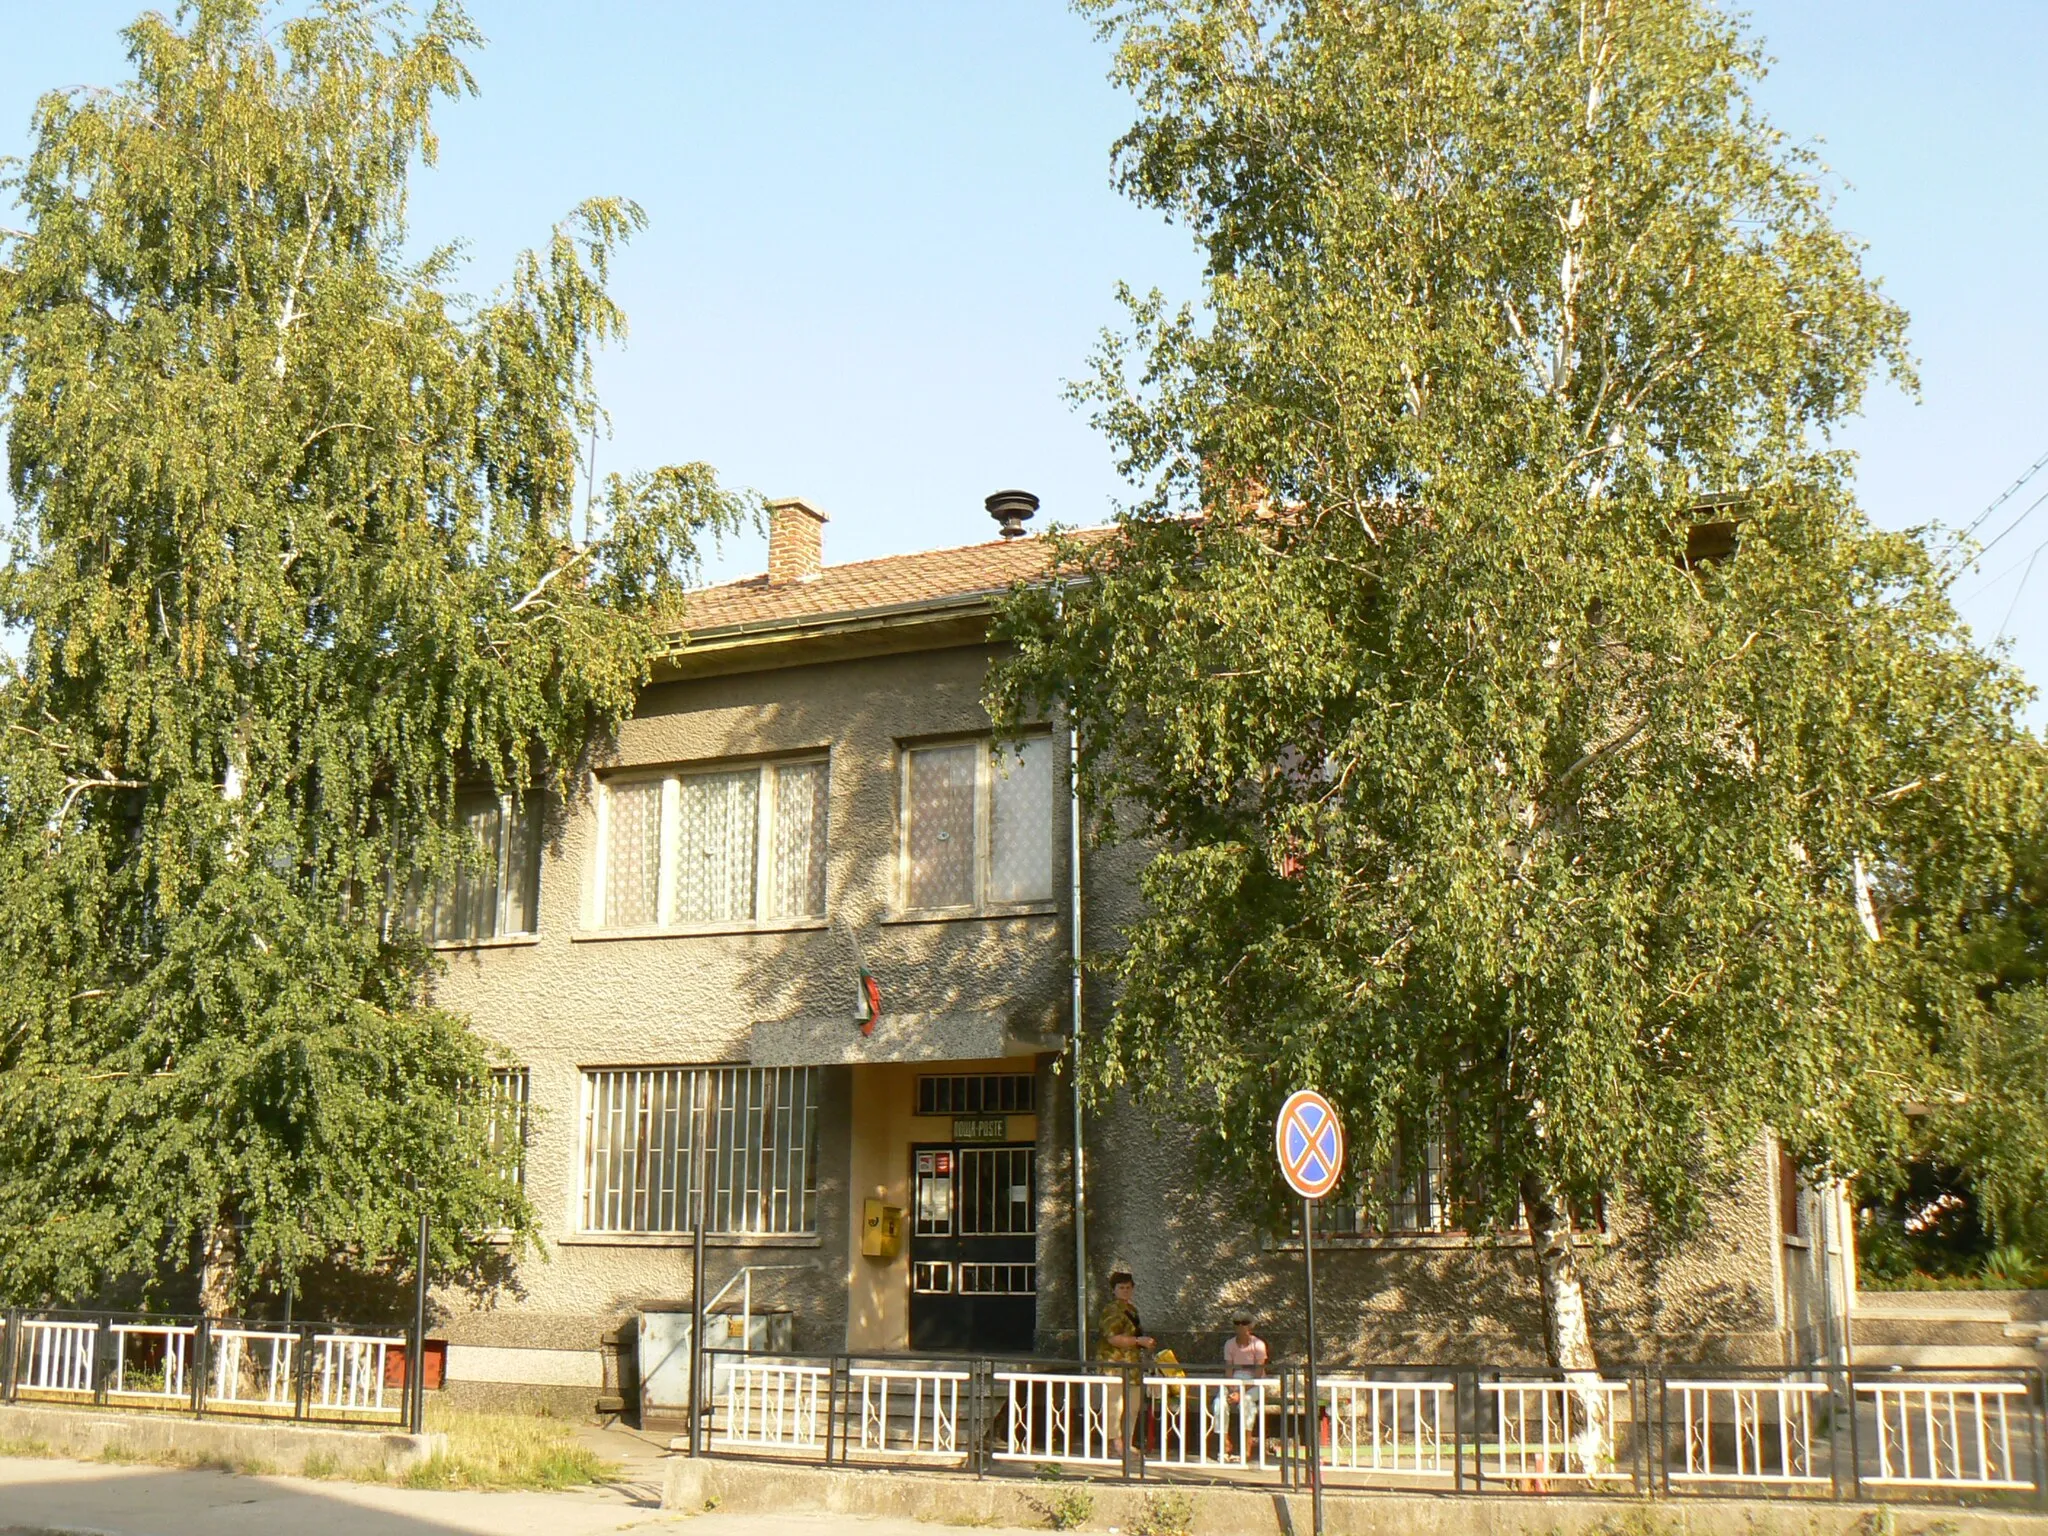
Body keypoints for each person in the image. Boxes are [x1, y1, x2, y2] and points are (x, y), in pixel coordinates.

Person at [1096, 1270, 1154, 1457]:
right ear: (1113, 1290)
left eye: (1128, 1287)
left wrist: (1143, 1343)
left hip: (1132, 1365)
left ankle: (1127, 1442)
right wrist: (1139, 1342)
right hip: (1115, 1364)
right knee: (1115, 1406)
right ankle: (1116, 1443)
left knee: (1133, 1406)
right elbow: (1112, 1338)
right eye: (1121, 1288)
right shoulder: (1112, 1310)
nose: (1125, 1291)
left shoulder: (1132, 1310)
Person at [1220, 1314, 1269, 1461]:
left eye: (1245, 1323)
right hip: (1235, 1381)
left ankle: (1247, 1446)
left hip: (1254, 1383)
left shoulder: (1258, 1345)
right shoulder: (1229, 1344)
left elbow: (1258, 1373)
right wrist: (1230, 1388)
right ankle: (1224, 1444)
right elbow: (1229, 1370)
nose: (1241, 1326)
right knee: (1219, 1403)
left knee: (1247, 1402)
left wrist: (1241, 1393)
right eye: (1237, 1323)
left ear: (1251, 1326)